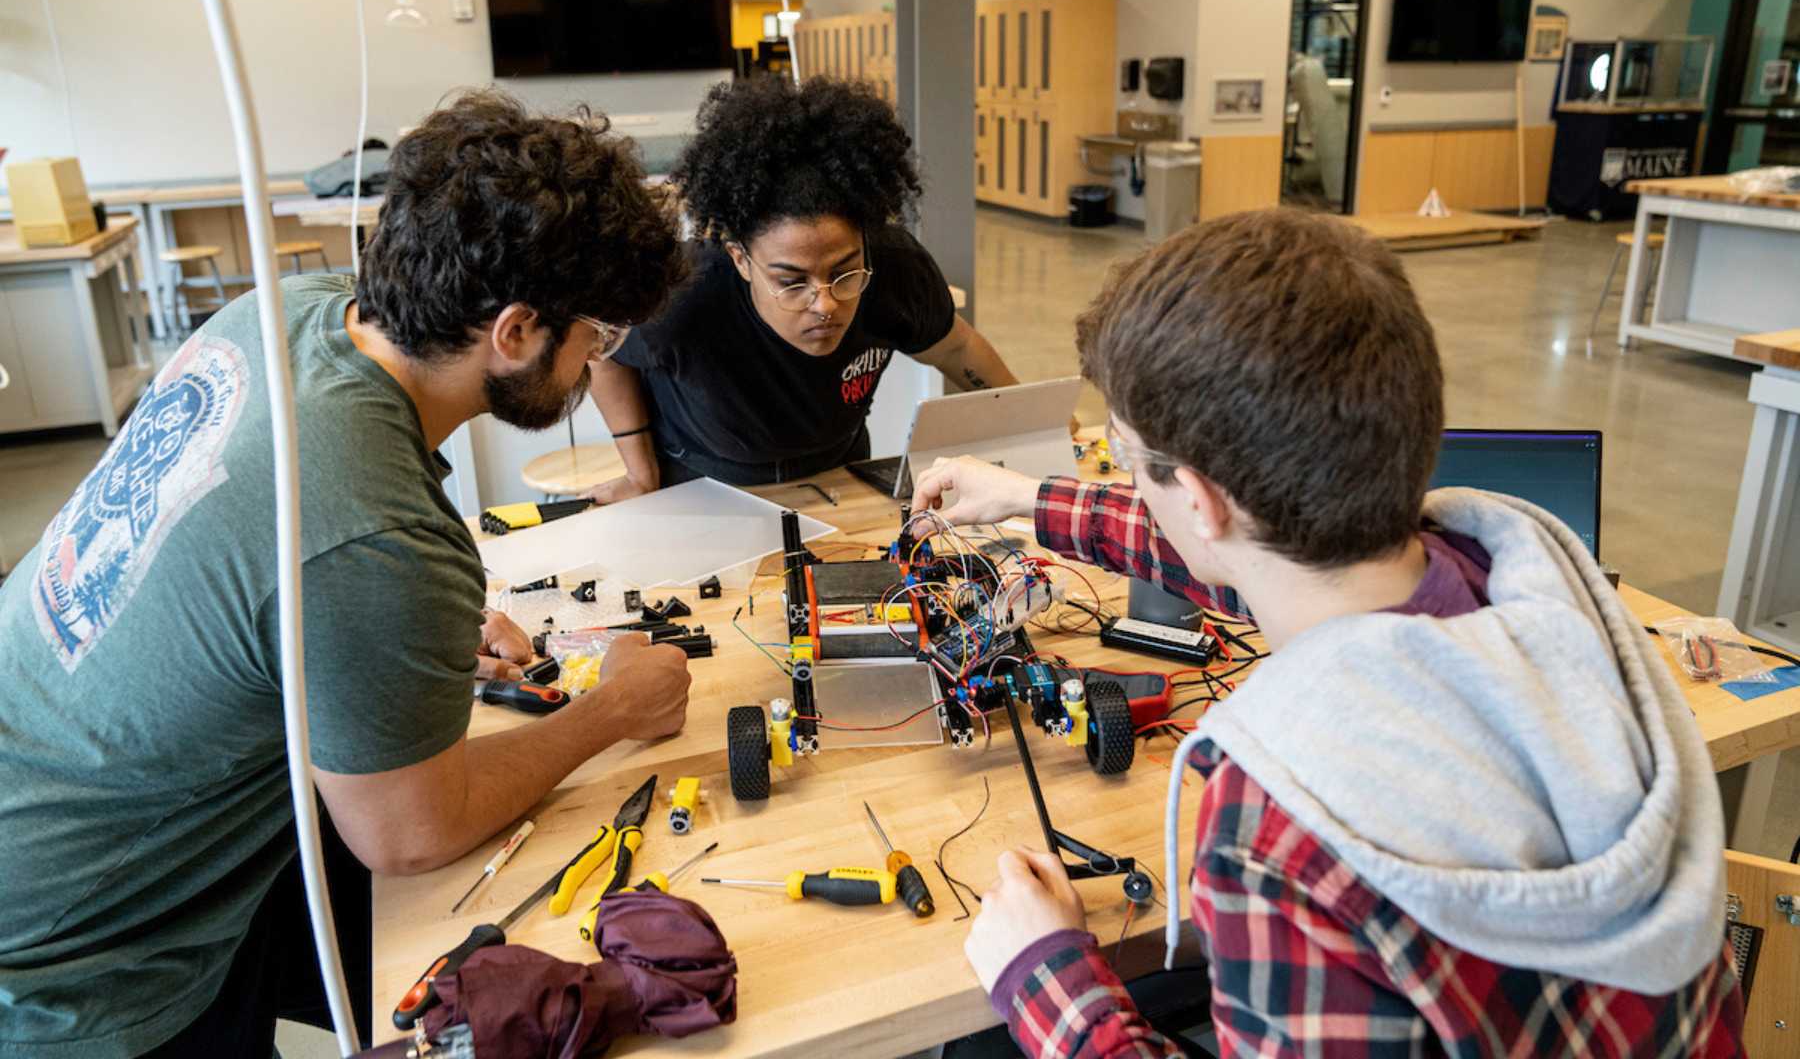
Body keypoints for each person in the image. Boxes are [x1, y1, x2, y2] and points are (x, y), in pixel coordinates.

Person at [912, 209, 1745, 1057]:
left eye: (1129, 459)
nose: (1135, 480)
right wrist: (1029, 499)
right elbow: (1255, 556)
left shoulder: (1281, 827)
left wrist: (1047, 977)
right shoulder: (1535, 595)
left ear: (1199, 501)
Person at [0, 90, 695, 1057]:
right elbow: (409, 833)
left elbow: (238, 562)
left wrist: (382, 640)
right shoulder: (375, 538)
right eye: (596, 337)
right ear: (517, 331)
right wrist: (612, 711)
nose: (593, 363)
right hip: (75, 965)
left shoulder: (289, 313)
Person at [585, 77, 1023, 496]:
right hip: (706, 479)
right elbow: (604, 356)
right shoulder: (679, 293)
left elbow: (954, 347)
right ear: (741, 259)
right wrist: (640, 474)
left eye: (845, 272)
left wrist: (1026, 421)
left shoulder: (894, 266)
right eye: (791, 282)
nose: (825, 303)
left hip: (839, 467)